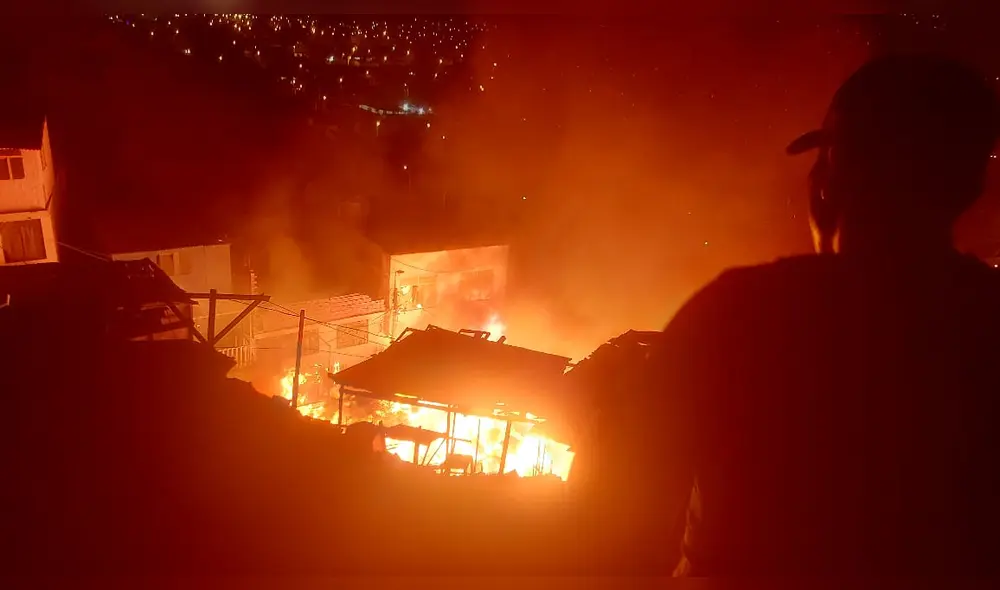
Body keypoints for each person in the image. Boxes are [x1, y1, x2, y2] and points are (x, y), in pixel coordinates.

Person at [657, 54, 1000, 576]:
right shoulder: (985, 319)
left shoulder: (736, 312)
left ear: (825, 179)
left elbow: (622, 491)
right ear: (971, 187)